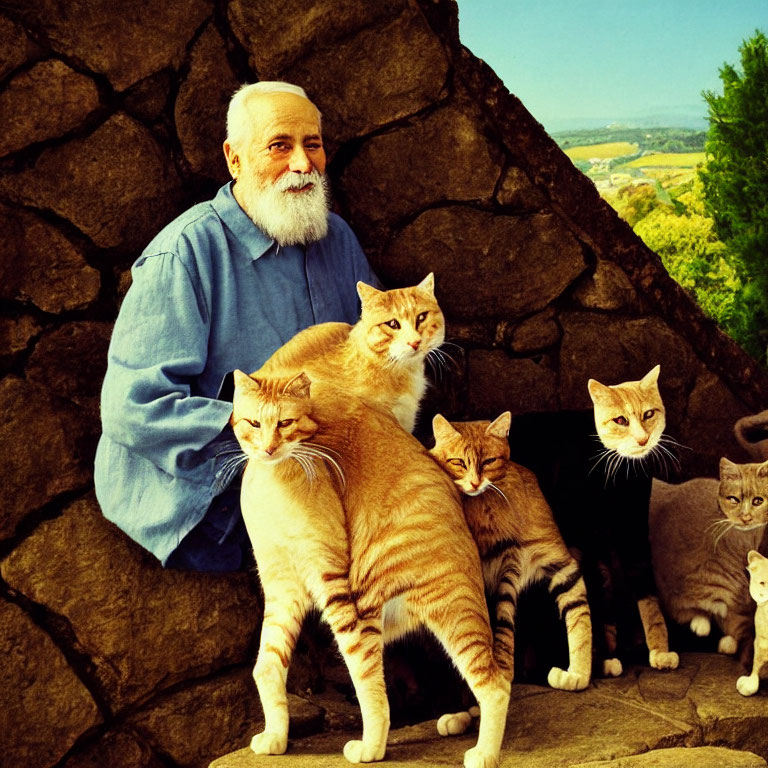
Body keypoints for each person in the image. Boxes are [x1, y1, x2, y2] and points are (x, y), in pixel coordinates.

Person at [94, 81, 378, 572]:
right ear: (235, 159)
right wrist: (265, 424)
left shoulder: (338, 237)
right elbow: (131, 407)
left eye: (312, 144)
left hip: (320, 463)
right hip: (213, 500)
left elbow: (376, 347)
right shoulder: (184, 252)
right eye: (279, 146)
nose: (302, 164)